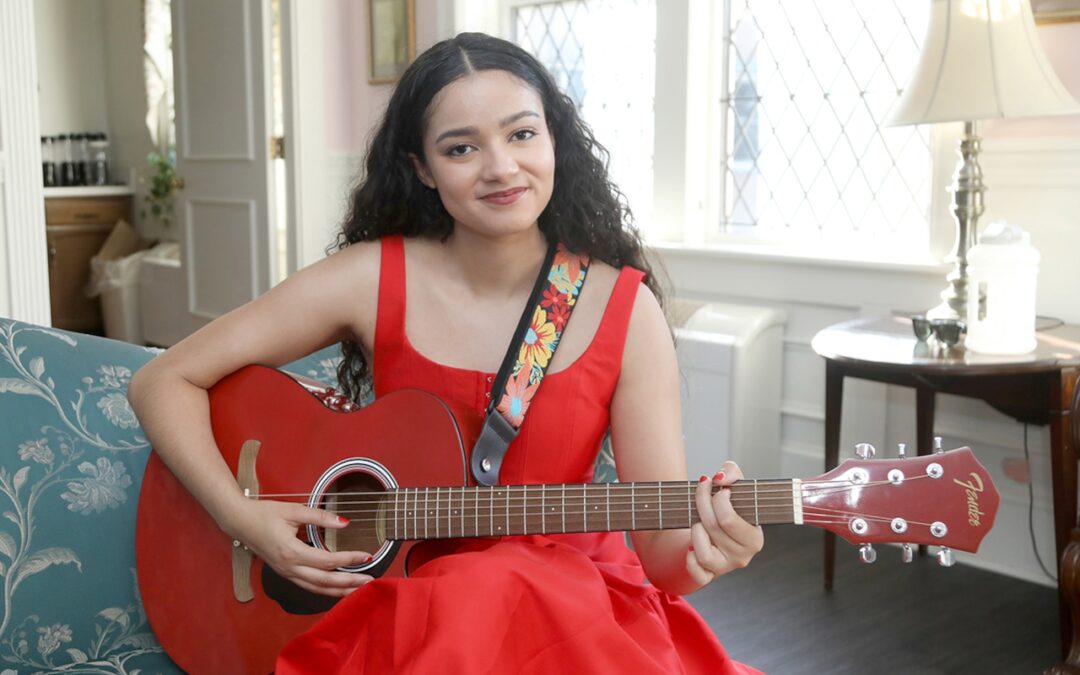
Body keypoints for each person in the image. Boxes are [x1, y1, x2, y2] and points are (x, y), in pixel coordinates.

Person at [128, 32, 764, 674]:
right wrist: (241, 517)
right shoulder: (370, 279)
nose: (501, 168)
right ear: (423, 168)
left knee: (504, 583)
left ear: (554, 140)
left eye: (522, 134)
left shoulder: (626, 311)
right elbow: (163, 379)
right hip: (403, 615)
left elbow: (664, 557)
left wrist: (709, 553)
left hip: (577, 621)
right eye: (462, 148)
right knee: (477, 592)